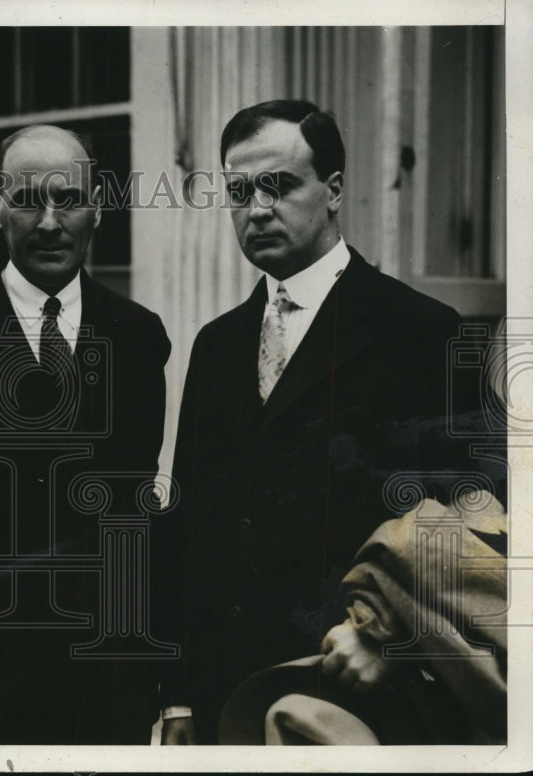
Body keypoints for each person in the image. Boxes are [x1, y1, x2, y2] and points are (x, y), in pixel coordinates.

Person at [156, 99, 489, 744]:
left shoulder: (420, 332)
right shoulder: (216, 344)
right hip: (228, 694)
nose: (256, 209)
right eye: (238, 191)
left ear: (333, 190)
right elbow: (187, 530)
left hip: (362, 692)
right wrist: (177, 698)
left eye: (278, 185)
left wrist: (388, 640)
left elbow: (471, 527)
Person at [0, 124, 171, 743]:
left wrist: (169, 683)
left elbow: (139, 513)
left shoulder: (139, 336)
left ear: (96, 208)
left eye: (67, 199)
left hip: (106, 675)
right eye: (26, 200)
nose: (49, 222)